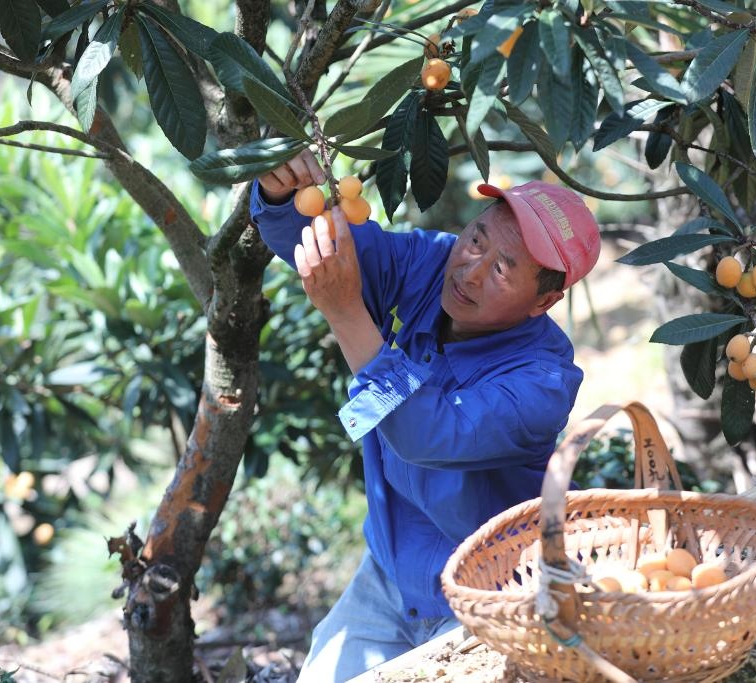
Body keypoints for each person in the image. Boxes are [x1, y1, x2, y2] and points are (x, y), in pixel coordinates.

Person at [250, 150, 601, 682]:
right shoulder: (432, 265)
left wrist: (346, 313)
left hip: (482, 598)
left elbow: (426, 434)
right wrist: (281, 195)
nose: (471, 270)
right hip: (390, 573)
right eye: (477, 239)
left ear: (543, 302)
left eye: (503, 268)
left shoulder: (543, 383)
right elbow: (346, 247)